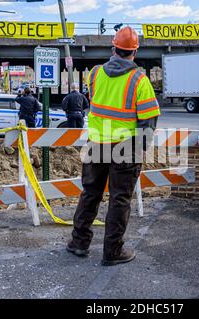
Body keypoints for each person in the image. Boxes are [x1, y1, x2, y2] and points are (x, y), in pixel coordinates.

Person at [66, 26, 161, 266]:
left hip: (96, 143)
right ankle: (112, 251)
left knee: (90, 194)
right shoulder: (140, 80)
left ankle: (79, 243)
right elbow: (149, 120)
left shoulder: (95, 74)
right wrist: (141, 147)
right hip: (124, 147)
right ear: (134, 52)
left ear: (113, 48)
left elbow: (96, 103)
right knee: (120, 199)